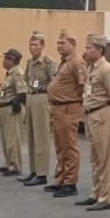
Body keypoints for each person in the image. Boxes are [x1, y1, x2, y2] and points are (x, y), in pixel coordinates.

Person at [75, 34, 110, 210]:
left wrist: (109, 108)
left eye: (89, 48)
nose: (85, 51)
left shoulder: (106, 69)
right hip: (91, 115)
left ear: (99, 50)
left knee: (105, 158)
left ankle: (106, 197)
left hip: (102, 114)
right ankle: (96, 192)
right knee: (95, 157)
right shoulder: (91, 68)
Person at [45, 30, 86, 197]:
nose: (59, 46)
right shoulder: (64, 62)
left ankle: (70, 182)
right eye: (58, 43)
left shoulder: (77, 63)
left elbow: (83, 86)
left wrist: (76, 101)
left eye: (63, 43)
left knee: (69, 146)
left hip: (69, 108)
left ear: (73, 44)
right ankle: (60, 179)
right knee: (60, 146)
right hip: (58, 108)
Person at [21, 31, 56, 186]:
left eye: (36, 45)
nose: (32, 47)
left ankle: (42, 173)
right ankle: (34, 170)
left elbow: (56, 82)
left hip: (42, 97)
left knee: (41, 136)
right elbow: (27, 80)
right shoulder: (29, 63)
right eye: (31, 44)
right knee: (31, 136)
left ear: (42, 46)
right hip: (31, 96)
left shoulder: (48, 63)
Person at [0, 48, 28, 176]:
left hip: (13, 109)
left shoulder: (17, 74)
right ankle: (8, 162)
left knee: (13, 138)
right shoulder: (9, 73)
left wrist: (17, 101)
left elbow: (23, 92)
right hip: (5, 108)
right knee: (6, 138)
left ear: (11, 60)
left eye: (5, 58)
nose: (3, 61)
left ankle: (15, 165)